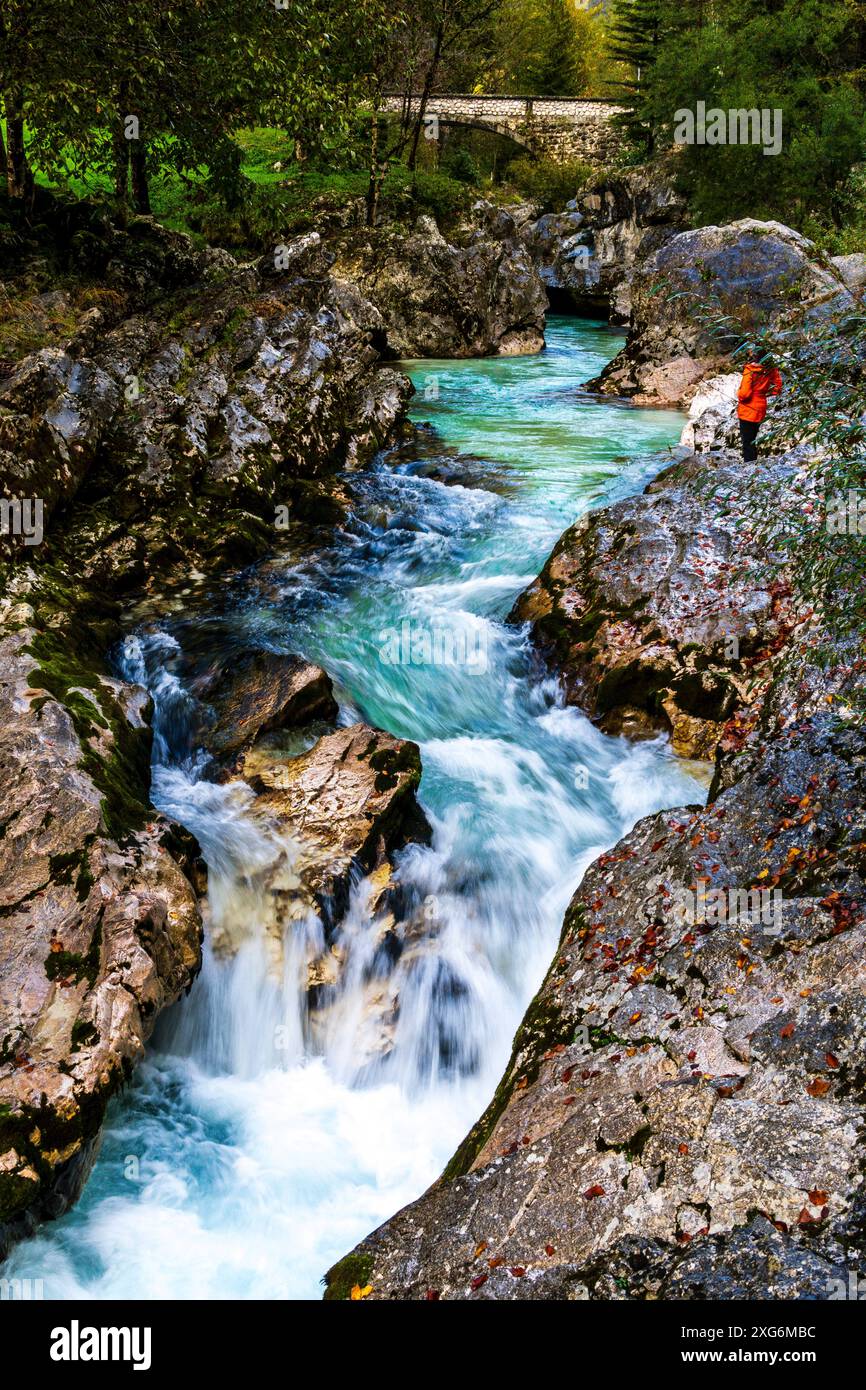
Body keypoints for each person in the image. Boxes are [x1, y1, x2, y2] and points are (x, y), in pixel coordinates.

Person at [736, 351, 782, 461]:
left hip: (747, 410)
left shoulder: (750, 370)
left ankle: (749, 467)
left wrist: (738, 394)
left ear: (755, 356)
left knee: (747, 442)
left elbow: (745, 394)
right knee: (754, 439)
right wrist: (765, 393)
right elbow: (778, 387)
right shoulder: (771, 369)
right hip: (761, 407)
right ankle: (754, 464)